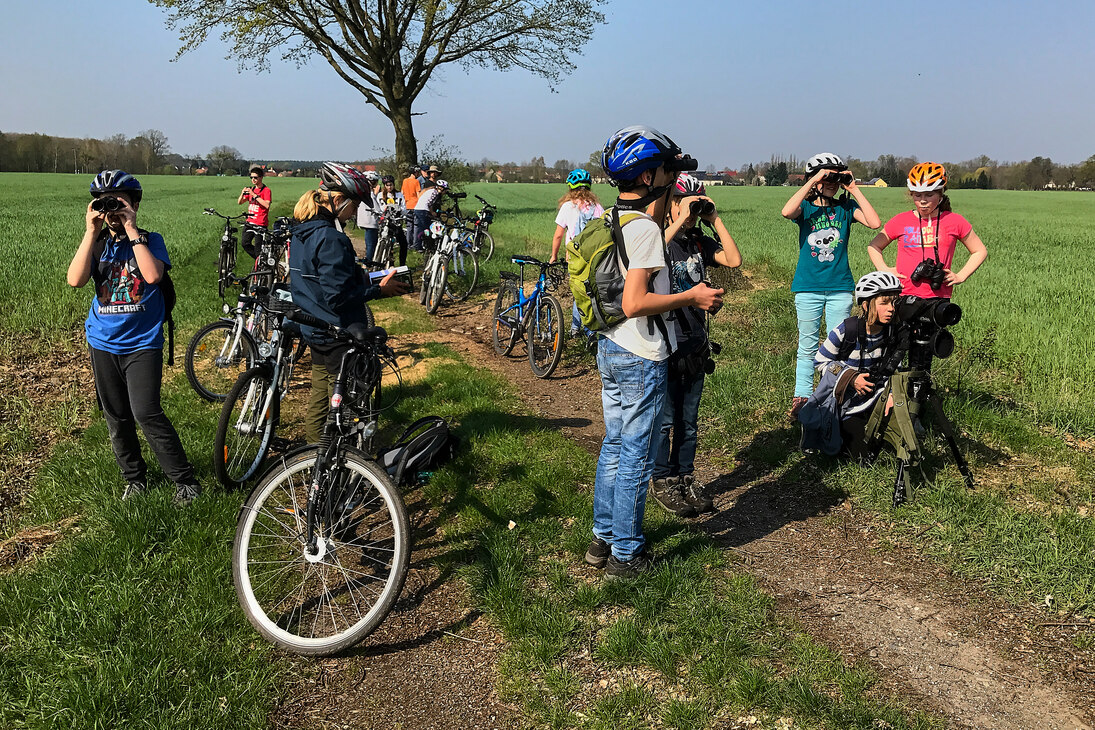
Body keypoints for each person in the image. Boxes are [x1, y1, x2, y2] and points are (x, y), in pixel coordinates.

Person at [585, 125, 724, 580]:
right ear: (649, 178)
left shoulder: (611, 219)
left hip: (611, 347)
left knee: (614, 446)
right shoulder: (643, 226)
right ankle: (626, 555)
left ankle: (602, 539)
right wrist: (692, 297)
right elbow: (634, 303)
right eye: (667, 169)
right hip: (640, 354)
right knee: (636, 456)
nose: (671, 177)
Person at [66, 170, 202, 506]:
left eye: (119, 201)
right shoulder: (97, 245)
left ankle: (184, 481)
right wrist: (90, 231)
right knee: (117, 416)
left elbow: (153, 276)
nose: (111, 209)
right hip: (102, 342)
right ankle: (134, 478)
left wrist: (131, 228)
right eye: (104, 203)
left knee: (146, 412)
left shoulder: (150, 240)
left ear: (136, 203)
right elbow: (75, 280)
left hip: (142, 343)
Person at [288, 162, 410, 443]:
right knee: (336, 404)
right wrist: (379, 290)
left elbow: (322, 281)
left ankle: (312, 452)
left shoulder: (302, 230)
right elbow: (339, 298)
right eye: (354, 206)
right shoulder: (332, 239)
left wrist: (365, 279)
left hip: (313, 327)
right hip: (337, 331)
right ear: (339, 200)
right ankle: (332, 461)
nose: (355, 213)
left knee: (319, 398)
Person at [650, 173, 742, 517]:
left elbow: (733, 260)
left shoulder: (698, 243)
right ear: (669, 205)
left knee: (688, 420)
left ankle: (685, 475)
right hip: (665, 342)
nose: (690, 211)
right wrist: (676, 218)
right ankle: (662, 479)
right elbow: (651, 251)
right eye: (682, 202)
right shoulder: (660, 239)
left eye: (695, 202)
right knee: (665, 419)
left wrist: (713, 218)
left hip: (695, 341)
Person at [781, 153, 881, 421]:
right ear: (814, 179)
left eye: (836, 177)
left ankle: (834, 394)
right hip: (808, 287)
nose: (832, 182)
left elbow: (875, 222)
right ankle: (802, 398)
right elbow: (787, 211)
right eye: (827, 177)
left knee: (842, 346)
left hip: (839, 288)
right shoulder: (807, 209)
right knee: (808, 345)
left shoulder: (845, 209)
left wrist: (854, 189)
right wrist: (813, 180)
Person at [804, 271, 903, 457]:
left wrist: (892, 394)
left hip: (877, 398)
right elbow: (820, 361)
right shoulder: (846, 330)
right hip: (847, 404)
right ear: (865, 305)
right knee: (862, 456)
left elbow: (896, 369)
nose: (891, 308)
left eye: (894, 302)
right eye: (884, 303)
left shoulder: (892, 333)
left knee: (889, 446)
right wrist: (851, 378)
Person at [867, 162, 987, 301]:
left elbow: (979, 251)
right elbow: (874, 246)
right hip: (902, 295)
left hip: (938, 297)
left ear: (940, 194)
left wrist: (961, 276)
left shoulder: (954, 221)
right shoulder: (901, 220)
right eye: (917, 195)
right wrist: (884, 269)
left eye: (929, 195)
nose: (923, 201)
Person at [550, 168, 604, 336]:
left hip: (573, 257)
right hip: (594, 257)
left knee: (578, 291)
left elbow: (558, 235)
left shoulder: (568, 207)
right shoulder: (597, 207)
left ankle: (579, 329)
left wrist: (553, 256)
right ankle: (590, 328)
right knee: (590, 291)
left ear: (571, 188)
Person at [238, 164, 272, 257]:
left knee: (258, 248)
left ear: (261, 178)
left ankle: (260, 262)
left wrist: (254, 195)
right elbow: (240, 202)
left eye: (255, 177)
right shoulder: (251, 189)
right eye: (251, 177)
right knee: (245, 243)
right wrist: (242, 193)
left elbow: (266, 205)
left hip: (260, 223)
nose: (253, 179)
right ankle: (260, 260)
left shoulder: (266, 191)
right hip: (250, 222)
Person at [376, 174, 409, 266]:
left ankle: (402, 264)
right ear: (384, 186)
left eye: (391, 185)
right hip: (385, 222)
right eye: (387, 185)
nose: (389, 187)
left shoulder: (399, 195)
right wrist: (386, 207)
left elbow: (404, 209)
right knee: (385, 242)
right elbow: (380, 208)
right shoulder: (380, 195)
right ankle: (386, 262)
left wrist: (400, 210)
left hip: (396, 222)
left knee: (403, 243)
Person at [355, 170, 381, 261]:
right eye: (373, 182)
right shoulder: (369, 194)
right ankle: (369, 262)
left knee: (369, 242)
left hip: (365, 220)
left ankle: (369, 260)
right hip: (370, 221)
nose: (375, 184)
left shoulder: (365, 193)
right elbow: (377, 208)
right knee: (371, 244)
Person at [412, 178, 443, 250]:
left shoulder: (431, 190)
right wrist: (432, 212)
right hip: (423, 210)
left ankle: (420, 245)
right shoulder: (435, 192)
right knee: (426, 229)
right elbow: (429, 203)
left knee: (422, 228)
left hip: (418, 209)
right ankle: (422, 246)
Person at [401, 164, 422, 247]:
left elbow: (402, 193)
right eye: (418, 172)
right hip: (415, 205)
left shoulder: (405, 181)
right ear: (415, 172)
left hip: (407, 205)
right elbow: (418, 194)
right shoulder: (416, 182)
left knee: (409, 226)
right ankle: (415, 244)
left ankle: (408, 244)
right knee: (416, 226)